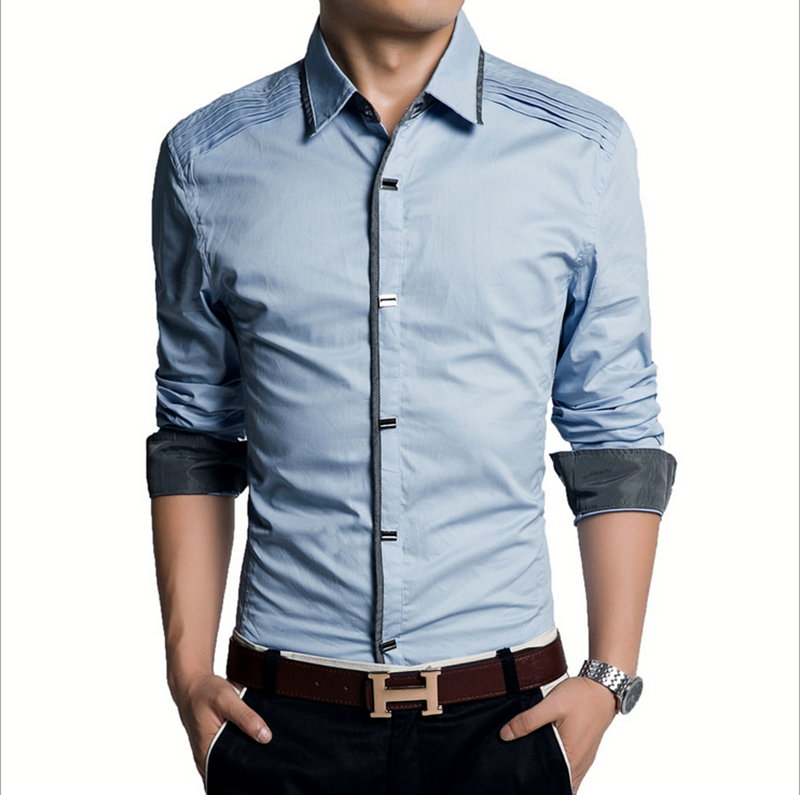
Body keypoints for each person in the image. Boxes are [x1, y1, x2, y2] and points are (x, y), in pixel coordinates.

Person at [146, 2, 677, 793]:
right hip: (281, 727)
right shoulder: (206, 158)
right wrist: (188, 673)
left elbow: (614, 428)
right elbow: (196, 431)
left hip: (507, 724)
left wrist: (610, 677)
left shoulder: (582, 149)